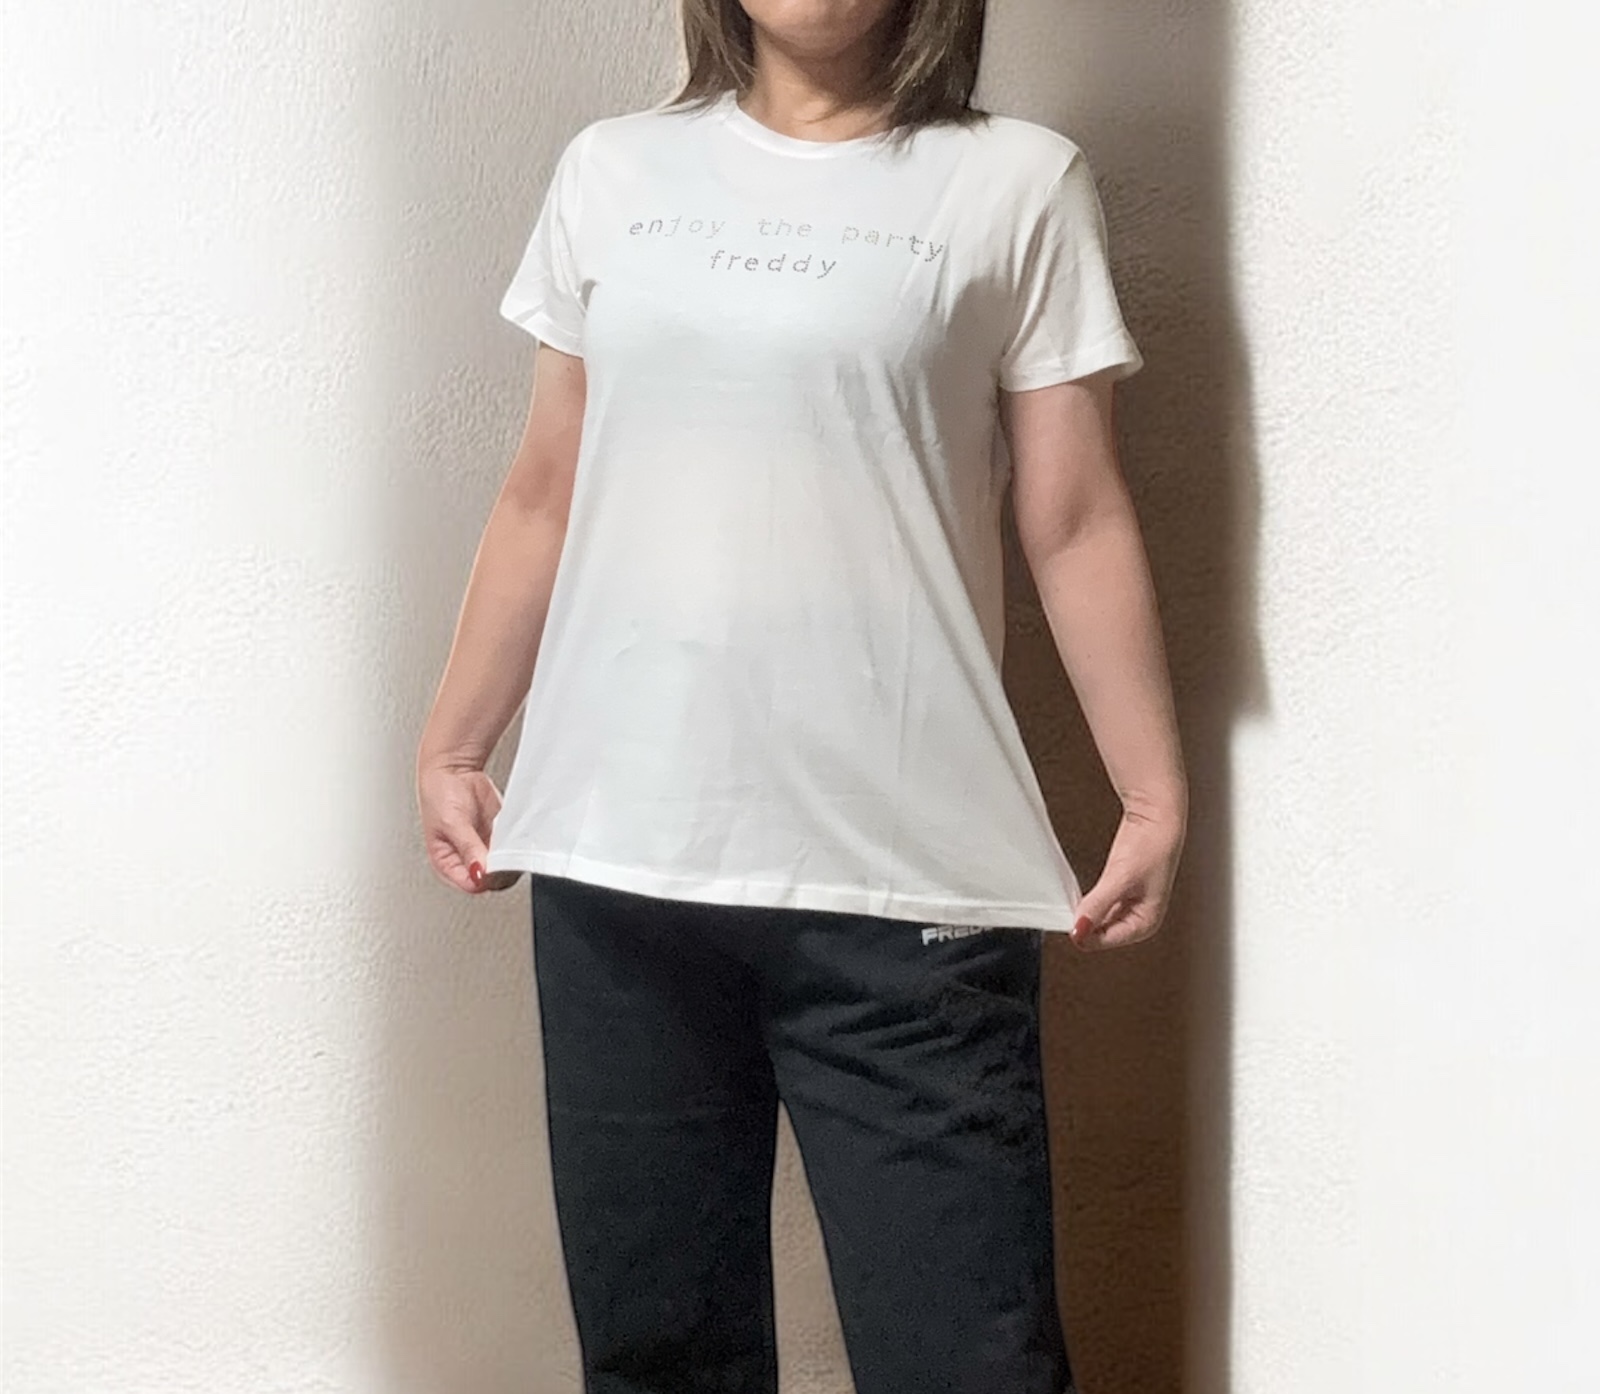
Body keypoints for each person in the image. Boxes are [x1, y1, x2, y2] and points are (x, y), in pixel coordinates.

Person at [416, 1, 1188, 1389]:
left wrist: (1151, 790)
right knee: (660, 1359)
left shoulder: (1017, 184)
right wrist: (458, 740)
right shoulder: (612, 171)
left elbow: (1073, 516)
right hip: (618, 872)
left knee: (970, 1362)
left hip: (910, 891)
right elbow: (544, 487)